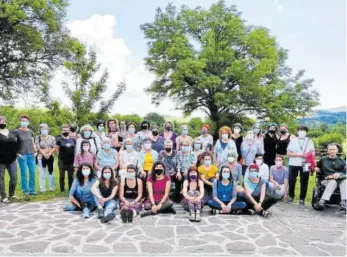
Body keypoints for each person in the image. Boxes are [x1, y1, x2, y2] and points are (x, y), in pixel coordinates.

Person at [287, 125, 315, 205]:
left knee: (304, 181)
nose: (302, 132)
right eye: (300, 130)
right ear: (298, 131)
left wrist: (309, 157)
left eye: (304, 130)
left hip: (306, 164)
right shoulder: (293, 140)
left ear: (306, 132)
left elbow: (313, 152)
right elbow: (288, 153)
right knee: (292, 180)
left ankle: (302, 198)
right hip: (293, 163)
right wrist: (300, 155)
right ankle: (291, 196)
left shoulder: (310, 141)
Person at [315, 143, 346, 212]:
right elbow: (318, 167)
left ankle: (344, 202)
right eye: (330, 149)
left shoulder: (341, 161)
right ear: (328, 151)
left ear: (337, 150)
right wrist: (316, 168)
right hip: (326, 180)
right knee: (333, 182)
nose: (332, 151)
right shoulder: (323, 159)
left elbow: (344, 172)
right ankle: (322, 201)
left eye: (334, 149)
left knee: (345, 181)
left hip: (340, 180)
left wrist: (339, 173)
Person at [14, 115, 37, 196]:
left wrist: (35, 151)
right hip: (22, 155)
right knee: (24, 174)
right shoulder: (16, 132)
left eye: (25, 120)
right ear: (20, 121)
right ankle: (25, 191)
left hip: (31, 155)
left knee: (32, 173)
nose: (24, 122)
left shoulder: (30, 131)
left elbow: (33, 142)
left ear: (28, 122)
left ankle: (32, 190)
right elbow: (14, 144)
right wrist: (17, 153)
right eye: (23, 120)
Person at [0, 116, 18, 203]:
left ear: (6, 122)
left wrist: (17, 152)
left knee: (14, 178)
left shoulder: (12, 132)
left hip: (12, 159)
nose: (1, 122)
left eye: (3, 120)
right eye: (0, 121)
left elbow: (17, 142)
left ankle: (11, 195)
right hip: (1, 161)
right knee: (1, 179)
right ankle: (3, 197)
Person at [35, 124, 56, 193]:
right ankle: (42, 189)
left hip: (50, 157)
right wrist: (44, 154)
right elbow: (37, 147)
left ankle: (52, 187)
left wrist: (49, 154)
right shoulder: (37, 137)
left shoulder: (52, 137)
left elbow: (54, 147)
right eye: (42, 129)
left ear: (48, 129)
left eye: (46, 129)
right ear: (40, 130)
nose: (44, 130)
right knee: (42, 173)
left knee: (51, 172)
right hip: (41, 157)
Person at [56, 124, 76, 192]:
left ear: (69, 131)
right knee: (62, 175)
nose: (66, 131)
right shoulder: (59, 140)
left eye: (67, 130)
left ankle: (71, 189)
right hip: (62, 160)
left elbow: (74, 149)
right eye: (64, 130)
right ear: (62, 131)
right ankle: (62, 189)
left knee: (70, 176)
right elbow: (57, 150)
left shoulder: (73, 140)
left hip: (71, 160)